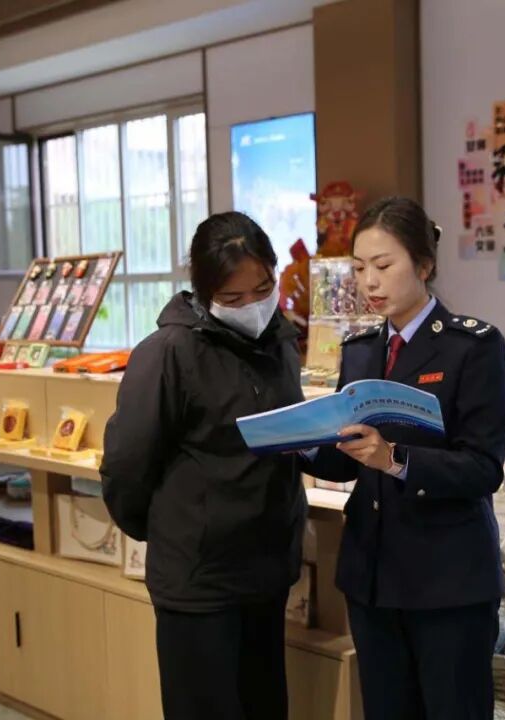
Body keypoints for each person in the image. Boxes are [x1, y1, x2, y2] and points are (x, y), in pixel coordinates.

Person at [302, 196, 505, 720]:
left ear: (423, 265)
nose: (369, 282)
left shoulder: (473, 348)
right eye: (358, 269)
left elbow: (483, 468)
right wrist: (293, 443)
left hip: (448, 581)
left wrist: (395, 458)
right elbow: (345, 462)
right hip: (372, 576)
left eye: (383, 265)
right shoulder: (360, 350)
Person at [100, 212, 307, 720]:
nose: (252, 306)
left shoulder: (280, 341)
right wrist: (174, 531)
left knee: (264, 707)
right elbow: (126, 465)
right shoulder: (168, 353)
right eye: (233, 299)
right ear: (203, 292)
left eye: (263, 289)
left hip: (266, 569)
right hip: (199, 578)